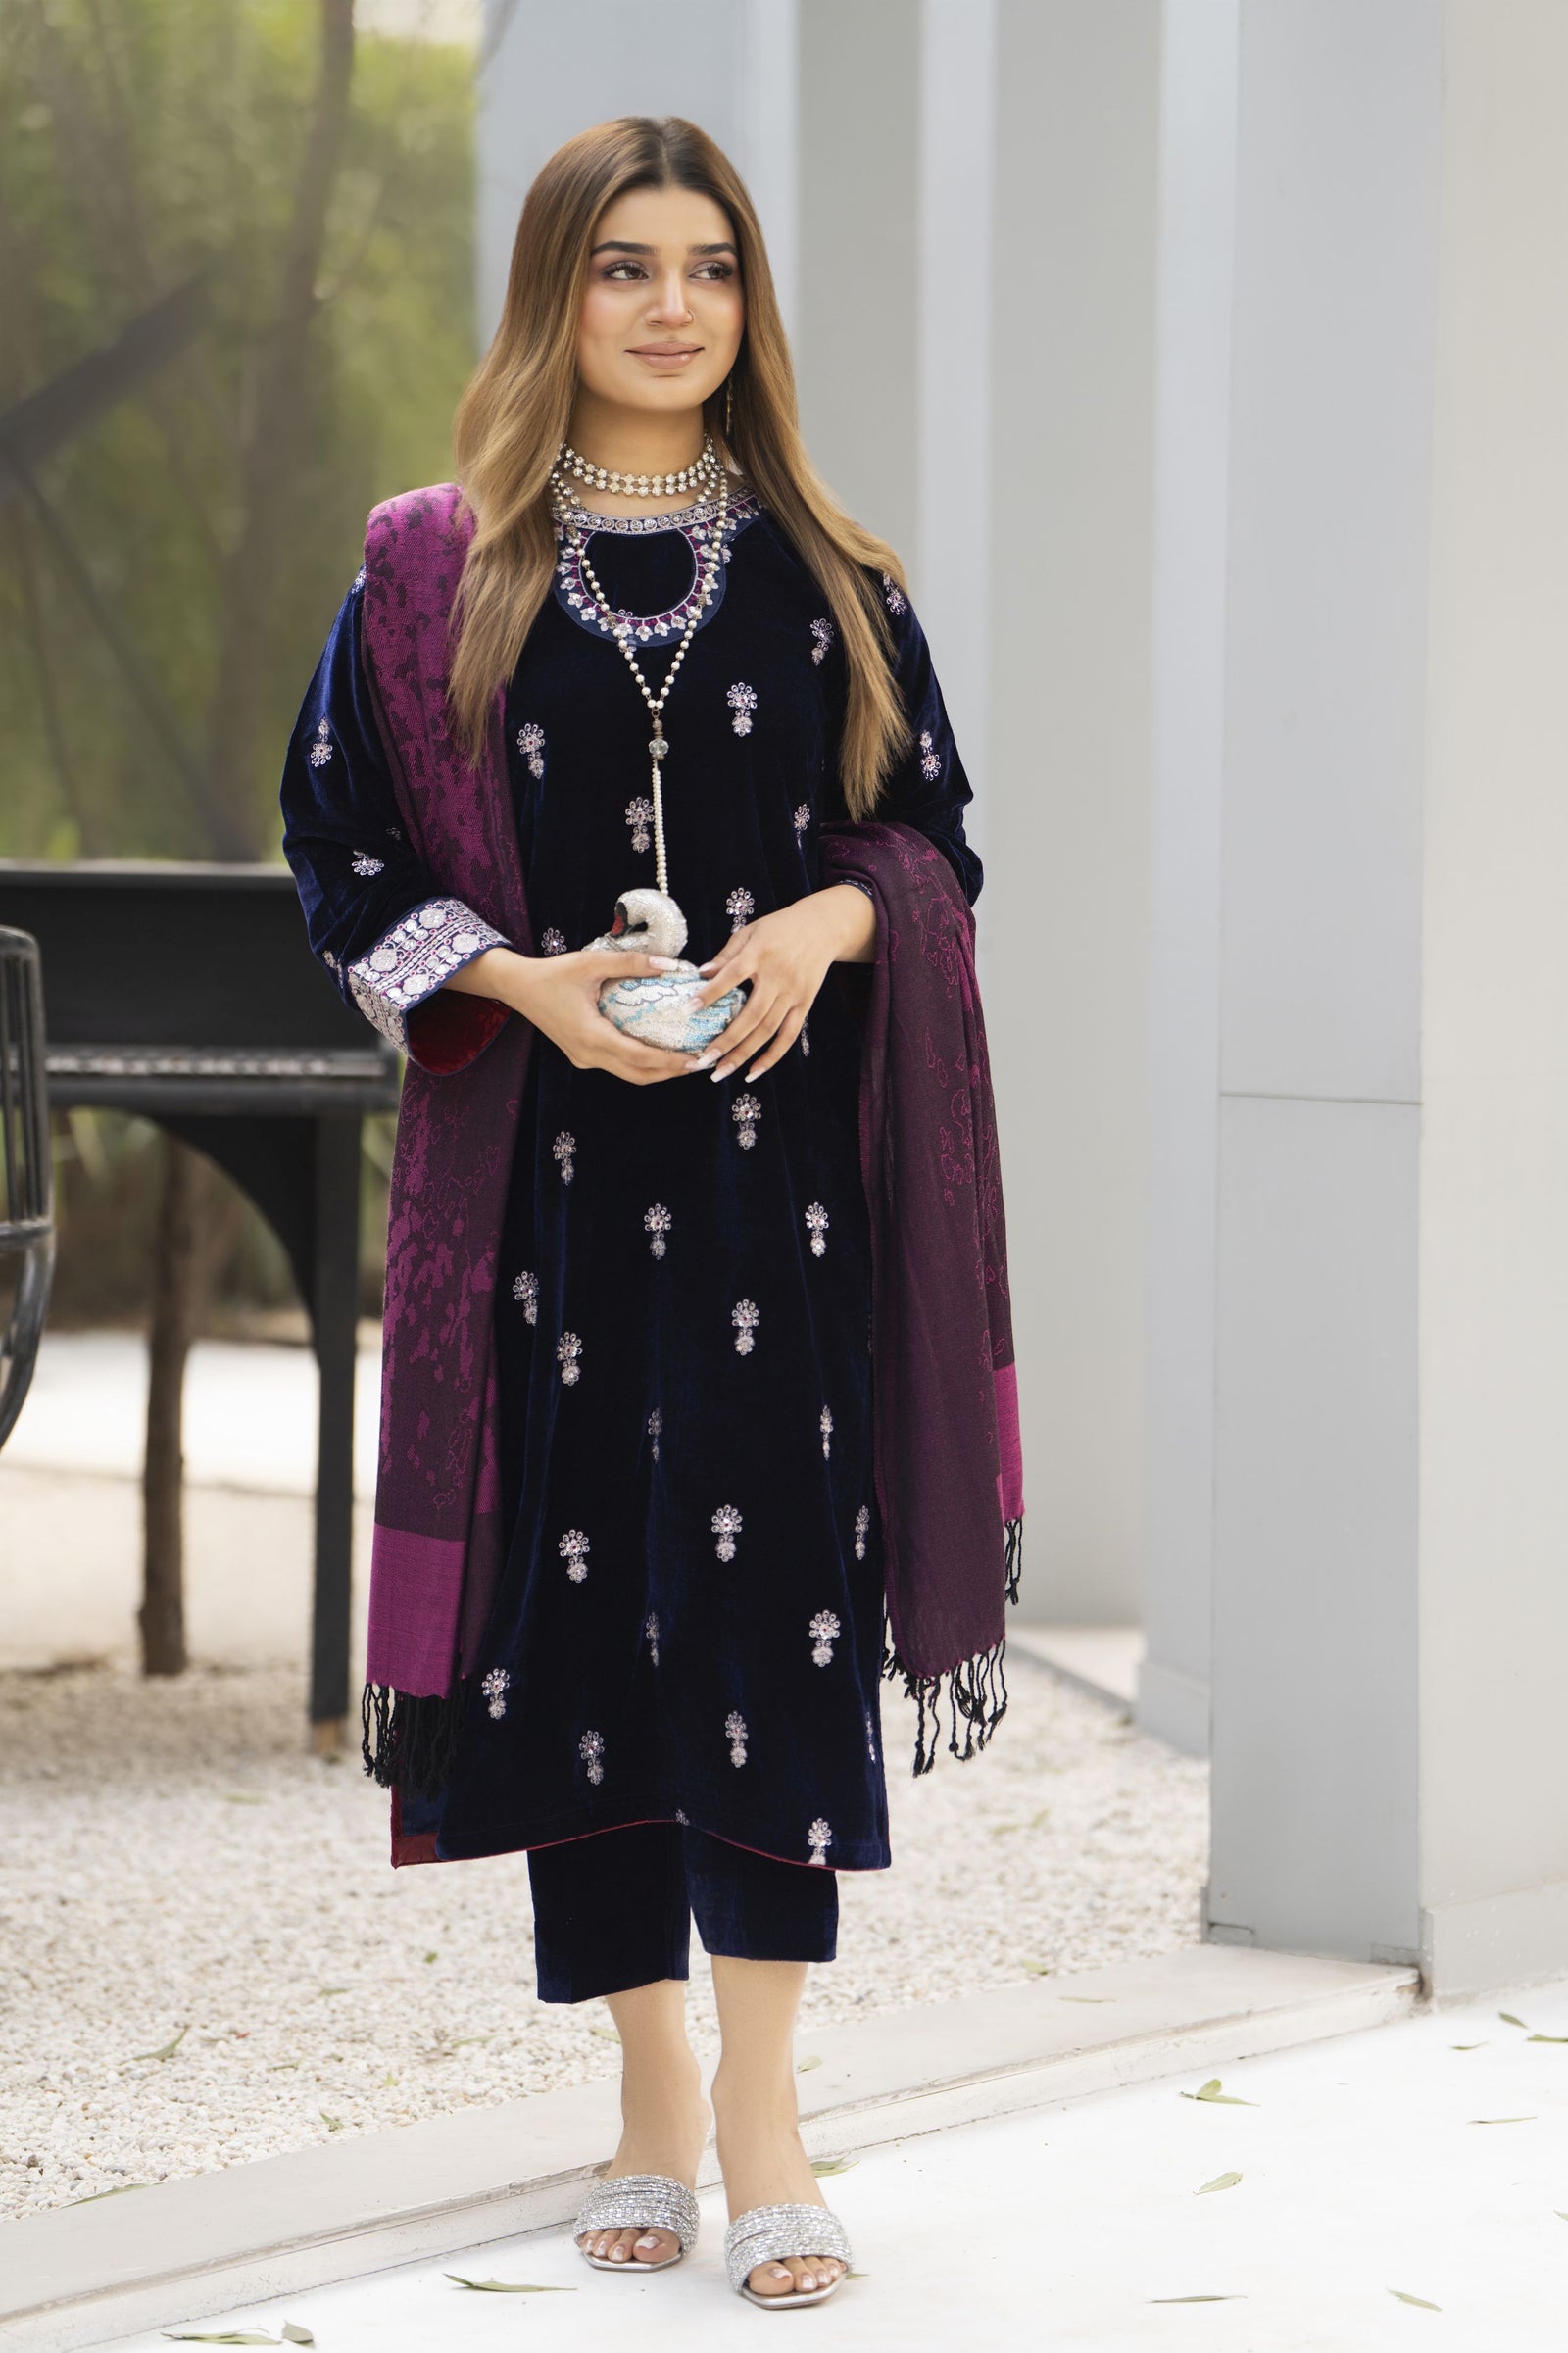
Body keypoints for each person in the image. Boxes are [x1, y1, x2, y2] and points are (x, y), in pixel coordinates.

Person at [280, 114, 1020, 2313]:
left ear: (746, 301)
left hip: (787, 1206)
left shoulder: (829, 572)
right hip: (547, 1208)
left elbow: (934, 845)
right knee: (579, 1641)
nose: (672, 305)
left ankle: (768, 2116)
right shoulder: (436, 575)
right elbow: (340, 856)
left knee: (779, 1622)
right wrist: (525, 990)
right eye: (625, 266)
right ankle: (647, 2093)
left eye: (709, 266)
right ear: (557, 292)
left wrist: (821, 926)